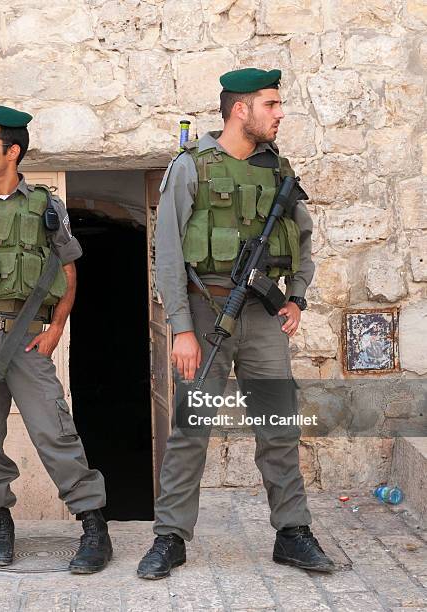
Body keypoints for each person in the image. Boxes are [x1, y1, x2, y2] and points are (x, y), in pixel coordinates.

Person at [137, 68, 334, 579]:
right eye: (271, 104)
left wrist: (297, 298)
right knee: (191, 427)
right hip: (207, 314)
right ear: (240, 109)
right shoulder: (191, 167)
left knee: (278, 426)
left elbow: (304, 241)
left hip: (264, 316)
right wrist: (180, 327)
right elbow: (169, 254)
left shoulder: (278, 170)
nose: (280, 113)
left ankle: (291, 532)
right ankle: (170, 537)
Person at [0, 105, 112, 574]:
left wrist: (55, 329)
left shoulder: (46, 206)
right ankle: (0, 523)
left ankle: (93, 525)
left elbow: (67, 271)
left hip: (28, 343)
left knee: (54, 431)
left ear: (13, 151)